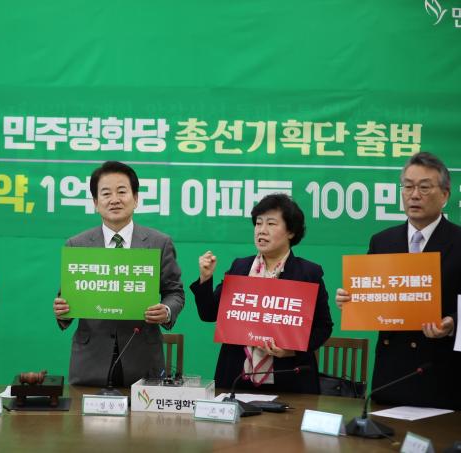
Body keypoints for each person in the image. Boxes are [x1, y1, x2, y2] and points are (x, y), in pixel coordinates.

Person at [335, 152, 461, 409]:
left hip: (441, 375)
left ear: (445, 195)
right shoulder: (382, 241)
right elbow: (373, 296)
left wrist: (453, 324)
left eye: (424, 187)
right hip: (391, 375)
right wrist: (351, 300)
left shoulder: (458, 241)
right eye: (408, 186)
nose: (414, 195)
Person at [53, 161, 184, 387]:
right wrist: (62, 310)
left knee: (143, 412)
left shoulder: (159, 243)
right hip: (91, 360)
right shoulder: (77, 244)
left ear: (136, 198)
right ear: (96, 203)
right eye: (106, 193)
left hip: (142, 357)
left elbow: (175, 293)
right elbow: (68, 298)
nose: (114, 199)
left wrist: (166, 310)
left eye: (122, 192)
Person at [190, 193, 333, 392]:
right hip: (236, 379)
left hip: (289, 378)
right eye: (258, 223)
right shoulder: (241, 267)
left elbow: (323, 327)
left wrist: (292, 350)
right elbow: (208, 313)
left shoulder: (308, 273)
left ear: (291, 231)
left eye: (271, 224)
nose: (261, 230)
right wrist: (205, 278)